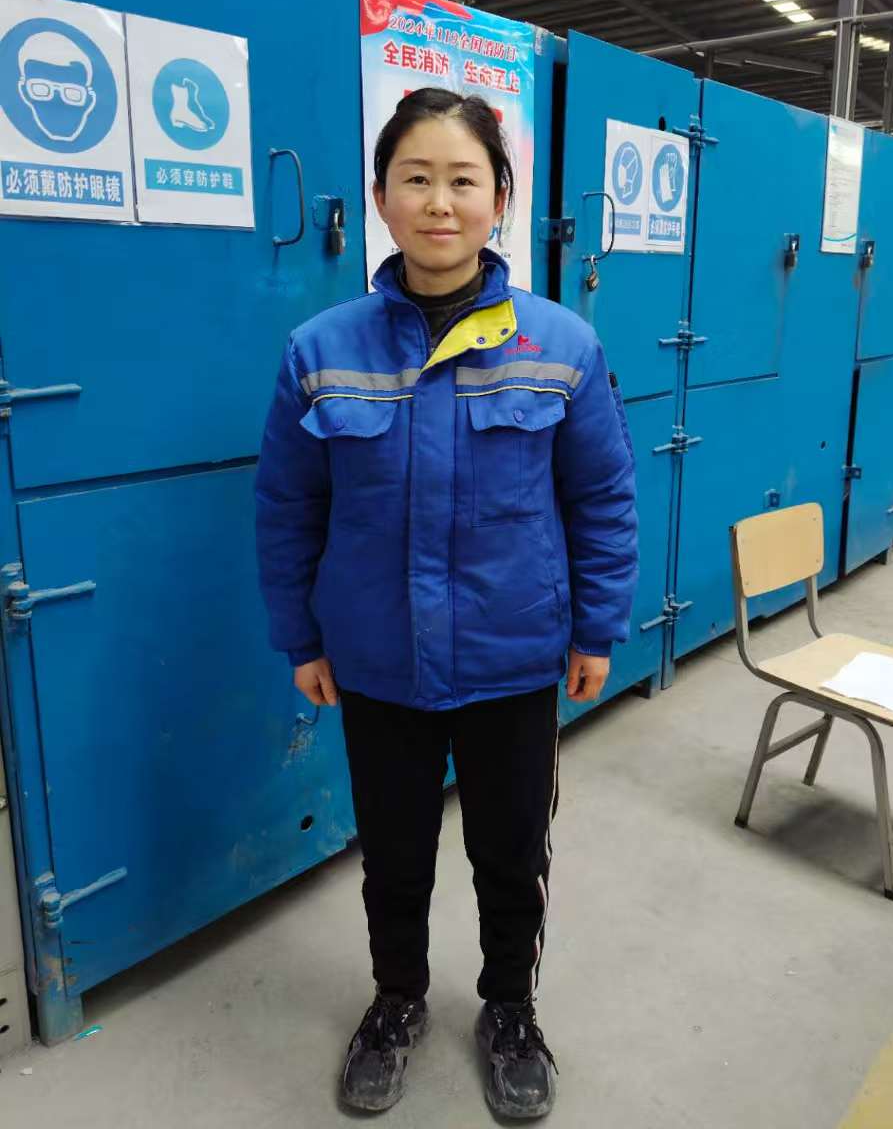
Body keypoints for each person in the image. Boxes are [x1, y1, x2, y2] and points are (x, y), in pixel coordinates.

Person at [255, 87, 638, 1119]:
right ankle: (397, 1000)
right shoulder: (321, 350)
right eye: (415, 178)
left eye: (463, 179)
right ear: (381, 196)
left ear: (499, 199)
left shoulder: (560, 344)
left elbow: (602, 496)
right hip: (378, 659)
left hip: (514, 657)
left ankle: (510, 1007)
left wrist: (596, 626)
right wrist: (300, 637)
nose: (439, 202)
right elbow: (287, 506)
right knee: (393, 855)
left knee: (511, 853)